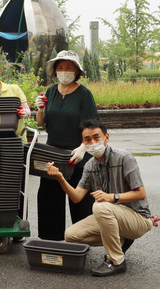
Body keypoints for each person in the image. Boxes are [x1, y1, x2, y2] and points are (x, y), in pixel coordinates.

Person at [47, 119, 159, 277]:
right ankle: (122, 240)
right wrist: (60, 178)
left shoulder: (124, 158)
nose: (93, 143)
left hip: (137, 217)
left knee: (100, 206)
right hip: (112, 216)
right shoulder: (89, 165)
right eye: (87, 140)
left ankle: (116, 261)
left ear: (107, 137)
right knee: (71, 235)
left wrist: (111, 197)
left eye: (96, 137)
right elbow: (77, 197)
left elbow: (140, 193)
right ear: (83, 143)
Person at [35, 50, 98, 240]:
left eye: (69, 67)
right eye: (60, 67)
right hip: (53, 155)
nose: (64, 71)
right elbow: (41, 123)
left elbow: (92, 127)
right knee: (49, 198)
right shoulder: (51, 91)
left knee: (80, 202)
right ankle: (51, 239)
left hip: (77, 156)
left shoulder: (84, 94)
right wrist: (40, 109)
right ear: (55, 71)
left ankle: (82, 240)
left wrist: (83, 148)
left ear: (77, 71)